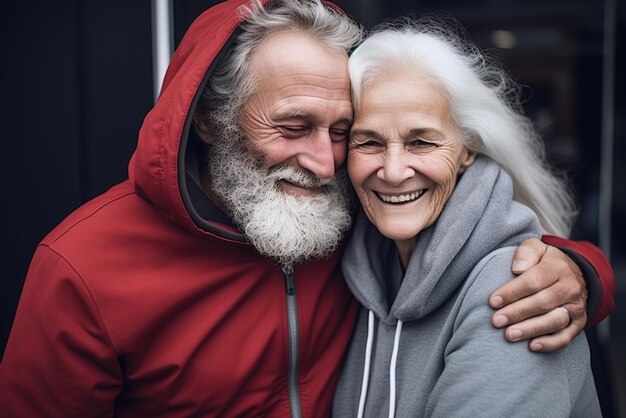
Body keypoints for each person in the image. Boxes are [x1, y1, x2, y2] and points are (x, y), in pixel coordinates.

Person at [0, 1, 613, 417]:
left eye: (343, 130)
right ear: (211, 120)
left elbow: (461, 231)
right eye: (292, 126)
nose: (324, 161)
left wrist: (579, 268)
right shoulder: (81, 268)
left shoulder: (346, 204)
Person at [332, 18, 602, 417]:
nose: (392, 171)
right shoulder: (358, 269)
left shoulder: (517, 290)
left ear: (468, 148)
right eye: (369, 141)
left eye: (421, 141)